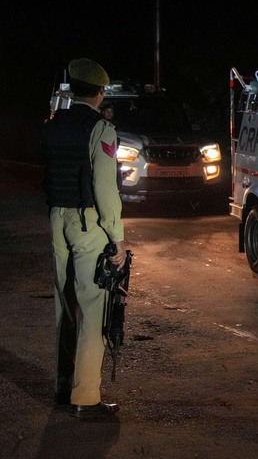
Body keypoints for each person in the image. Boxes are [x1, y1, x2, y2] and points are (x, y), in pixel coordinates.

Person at [42, 58, 126, 417]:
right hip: (86, 223)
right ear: (100, 92)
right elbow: (105, 189)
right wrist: (117, 237)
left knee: (65, 305)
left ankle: (64, 387)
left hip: (56, 218)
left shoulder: (53, 124)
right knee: (93, 309)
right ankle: (85, 397)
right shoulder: (101, 129)